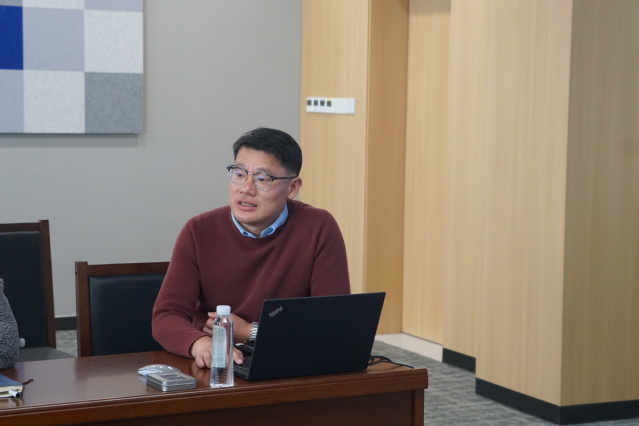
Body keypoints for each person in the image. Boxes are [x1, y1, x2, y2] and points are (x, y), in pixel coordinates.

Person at [152, 127, 351, 369]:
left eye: (262, 179)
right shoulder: (199, 230)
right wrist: (201, 344)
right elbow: (166, 315)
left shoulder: (318, 227)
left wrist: (250, 332)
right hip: (217, 368)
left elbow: (333, 322)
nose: (246, 188)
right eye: (239, 174)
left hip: (292, 363)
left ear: (292, 188)